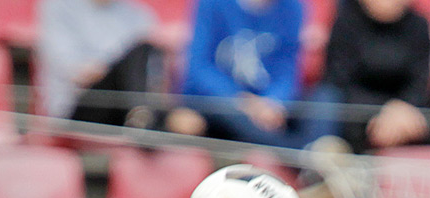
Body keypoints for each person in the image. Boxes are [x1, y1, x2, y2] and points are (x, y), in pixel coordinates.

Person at [166, 0, 312, 148]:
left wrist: (273, 103)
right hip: (212, 101)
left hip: (263, 107)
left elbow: (287, 69)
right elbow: (199, 68)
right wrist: (240, 100)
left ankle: (305, 153)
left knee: (321, 104)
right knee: (230, 117)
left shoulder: (293, 7)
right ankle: (304, 155)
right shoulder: (212, 4)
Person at [312, 0, 430, 152]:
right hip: (356, 113)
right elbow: (339, 80)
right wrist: (383, 113)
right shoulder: (347, 21)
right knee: (326, 101)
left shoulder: (419, 25)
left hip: (404, 114)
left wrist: (402, 109)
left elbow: (419, 83)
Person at [37, 0, 162, 128]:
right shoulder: (59, 6)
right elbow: (73, 71)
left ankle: (141, 116)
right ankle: (142, 117)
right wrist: (113, 68)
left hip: (121, 107)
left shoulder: (137, 14)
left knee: (141, 52)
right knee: (138, 54)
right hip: (76, 107)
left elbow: (151, 76)